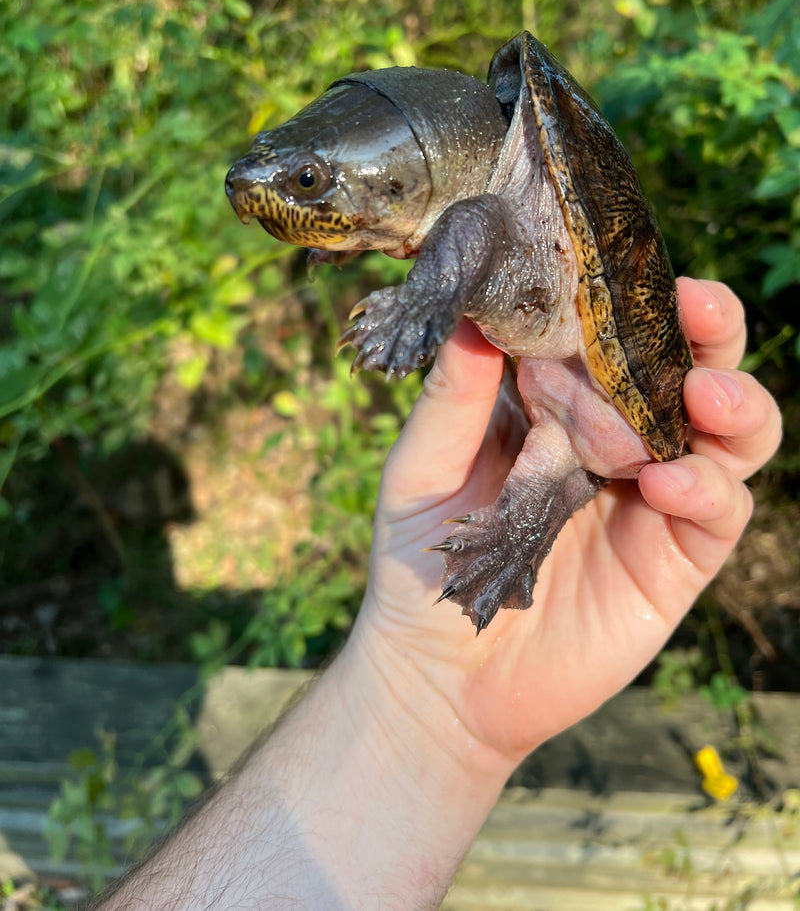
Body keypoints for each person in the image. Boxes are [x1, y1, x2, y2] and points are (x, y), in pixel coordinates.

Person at [94, 277, 781, 911]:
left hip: (594, 413)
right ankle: (510, 557)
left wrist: (423, 710)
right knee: (553, 475)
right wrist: (425, 703)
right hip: (595, 420)